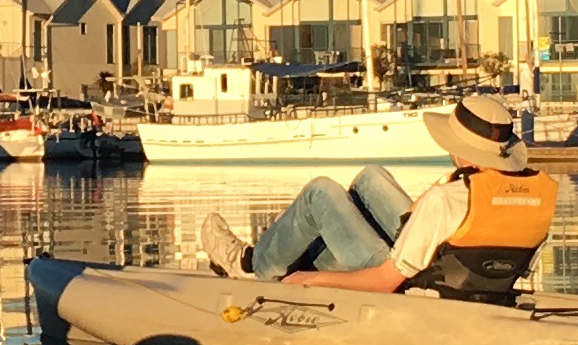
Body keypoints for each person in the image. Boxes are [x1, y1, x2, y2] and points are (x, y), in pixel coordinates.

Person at [197, 100, 555, 296]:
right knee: (371, 177)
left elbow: (385, 282)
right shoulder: (535, 193)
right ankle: (303, 250)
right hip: (465, 271)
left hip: (413, 283)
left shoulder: (446, 199)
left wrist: (311, 281)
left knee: (321, 192)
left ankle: (253, 267)